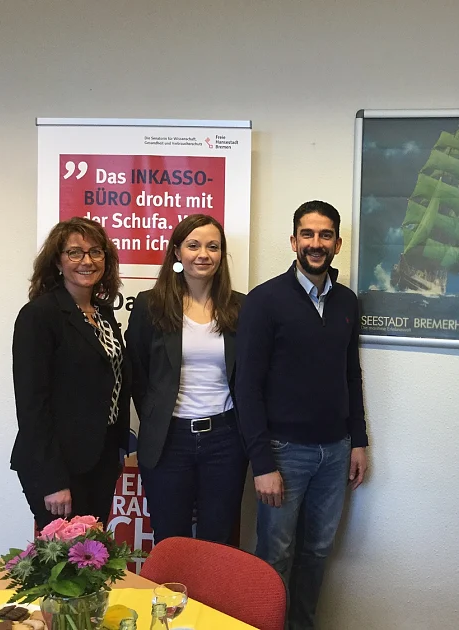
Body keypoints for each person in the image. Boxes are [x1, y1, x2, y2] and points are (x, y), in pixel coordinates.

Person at [235, 200, 368, 630]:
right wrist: (262, 463)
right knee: (275, 556)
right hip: (283, 452)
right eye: (307, 235)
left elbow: (350, 375)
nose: (316, 244)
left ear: (337, 243)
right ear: (293, 241)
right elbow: (247, 388)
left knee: (316, 554)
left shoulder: (347, 301)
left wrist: (359, 440)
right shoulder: (264, 301)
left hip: (335, 452)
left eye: (325, 235)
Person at [125, 214, 247, 545]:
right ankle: (171, 600)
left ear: (222, 255)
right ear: (177, 252)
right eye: (193, 245)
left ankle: (210, 600)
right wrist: (154, 414)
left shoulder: (241, 307)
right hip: (168, 440)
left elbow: (250, 376)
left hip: (225, 439)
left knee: (218, 543)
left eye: (213, 246)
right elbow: (135, 373)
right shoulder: (150, 306)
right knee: (170, 542)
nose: (203, 254)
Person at [12, 217, 130, 527]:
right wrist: (52, 479)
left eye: (96, 252)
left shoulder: (103, 314)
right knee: (64, 566)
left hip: (100, 457)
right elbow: (32, 404)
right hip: (58, 463)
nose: (87, 261)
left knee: (91, 557)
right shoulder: (40, 315)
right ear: (57, 261)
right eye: (75, 252)